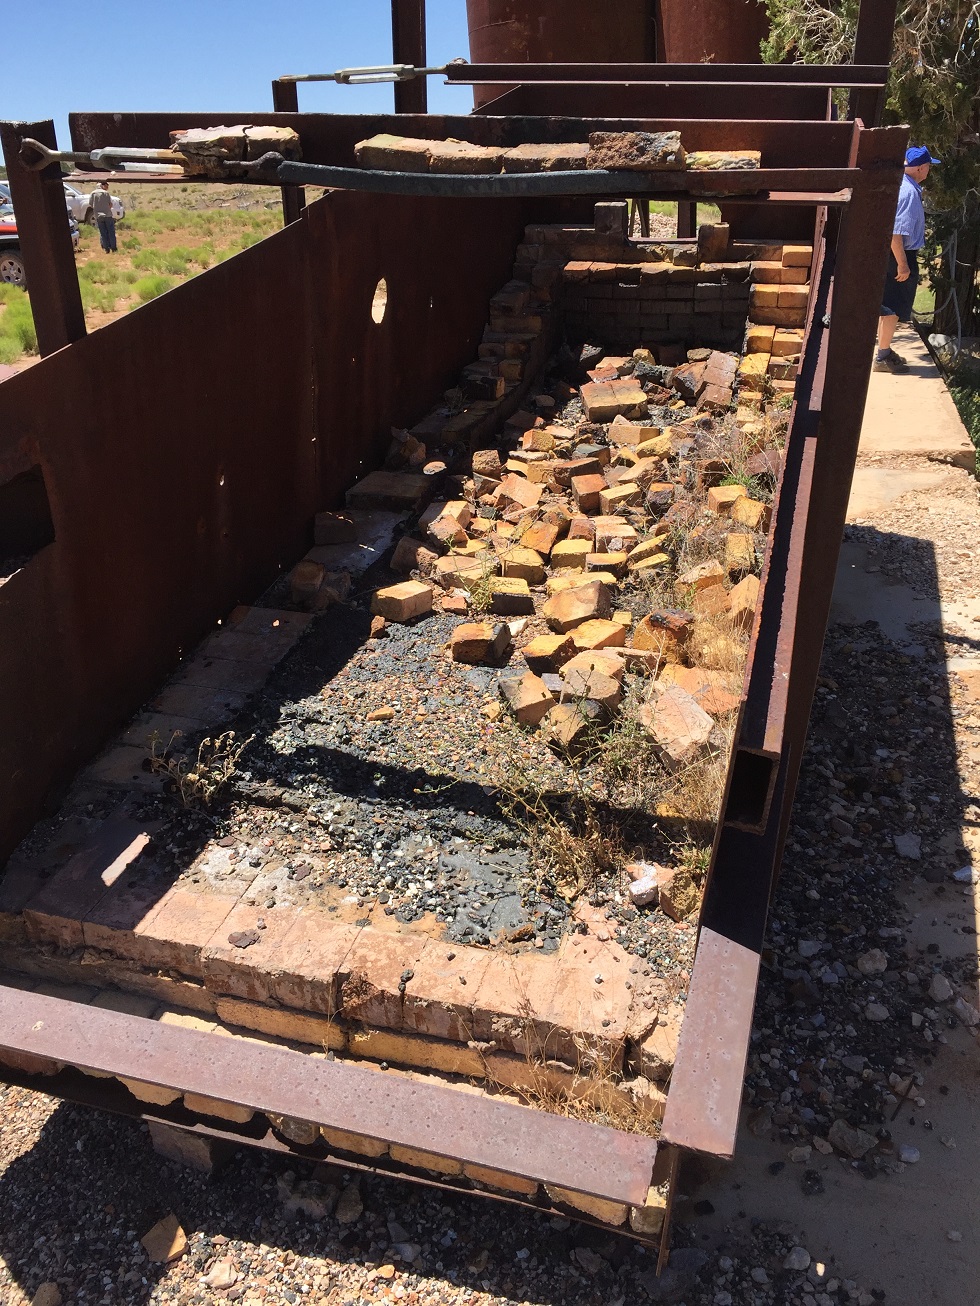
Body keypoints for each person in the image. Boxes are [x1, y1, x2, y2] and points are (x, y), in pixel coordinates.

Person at [874, 145, 940, 373]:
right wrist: (903, 264)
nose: (929, 170)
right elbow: (895, 232)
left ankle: (883, 351)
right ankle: (882, 356)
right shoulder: (909, 193)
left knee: (886, 307)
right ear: (921, 168)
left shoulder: (904, 186)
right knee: (891, 308)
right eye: (929, 166)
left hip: (894, 253)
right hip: (899, 255)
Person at [90, 179, 117, 254]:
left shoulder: (92, 193)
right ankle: (113, 248)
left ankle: (106, 249)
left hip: (98, 216)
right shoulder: (106, 193)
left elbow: (90, 204)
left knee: (103, 233)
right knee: (111, 232)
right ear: (102, 186)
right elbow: (110, 204)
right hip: (107, 215)